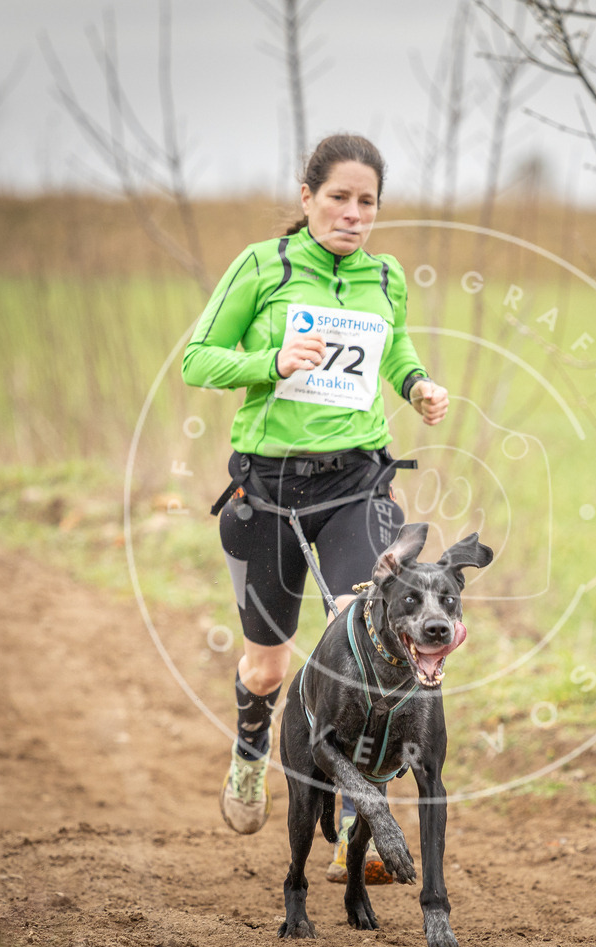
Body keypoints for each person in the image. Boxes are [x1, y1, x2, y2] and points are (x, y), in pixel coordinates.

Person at [181, 133, 449, 883]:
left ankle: (353, 822)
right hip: (265, 490)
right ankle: (249, 749)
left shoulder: (386, 276)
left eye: (367, 202)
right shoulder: (262, 266)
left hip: (357, 481)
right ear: (307, 199)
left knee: (360, 634)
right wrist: (270, 362)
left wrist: (417, 385)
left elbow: (391, 348)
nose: (354, 214)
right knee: (267, 669)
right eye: (339, 198)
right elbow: (198, 357)